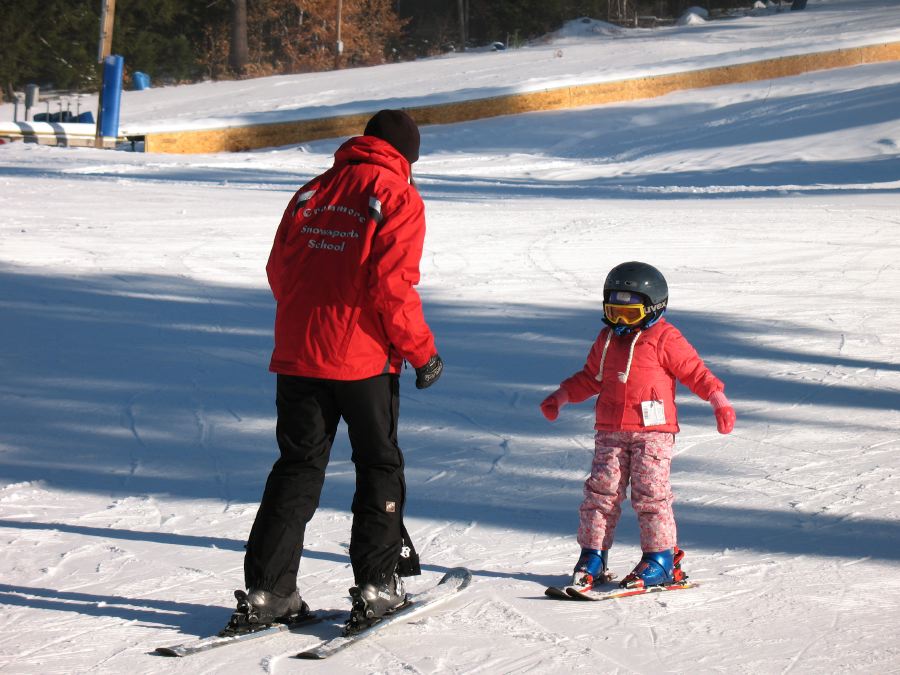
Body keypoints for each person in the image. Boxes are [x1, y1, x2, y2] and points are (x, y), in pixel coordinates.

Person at [230, 110, 443, 632]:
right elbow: (392, 289)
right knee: (377, 466)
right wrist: (423, 352)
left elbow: (279, 270)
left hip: (299, 354)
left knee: (297, 467)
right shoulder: (397, 196)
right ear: (406, 156)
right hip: (362, 360)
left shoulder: (312, 190)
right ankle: (377, 587)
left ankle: (268, 592)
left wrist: (309, 317)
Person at [540, 261, 735, 590]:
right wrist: (561, 396)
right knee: (600, 494)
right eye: (614, 312)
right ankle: (593, 555)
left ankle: (660, 559)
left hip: (653, 433)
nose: (620, 322)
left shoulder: (665, 338)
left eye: (629, 315)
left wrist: (718, 400)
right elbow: (591, 378)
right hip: (610, 431)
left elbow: (694, 371)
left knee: (651, 494)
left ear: (654, 308)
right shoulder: (606, 340)